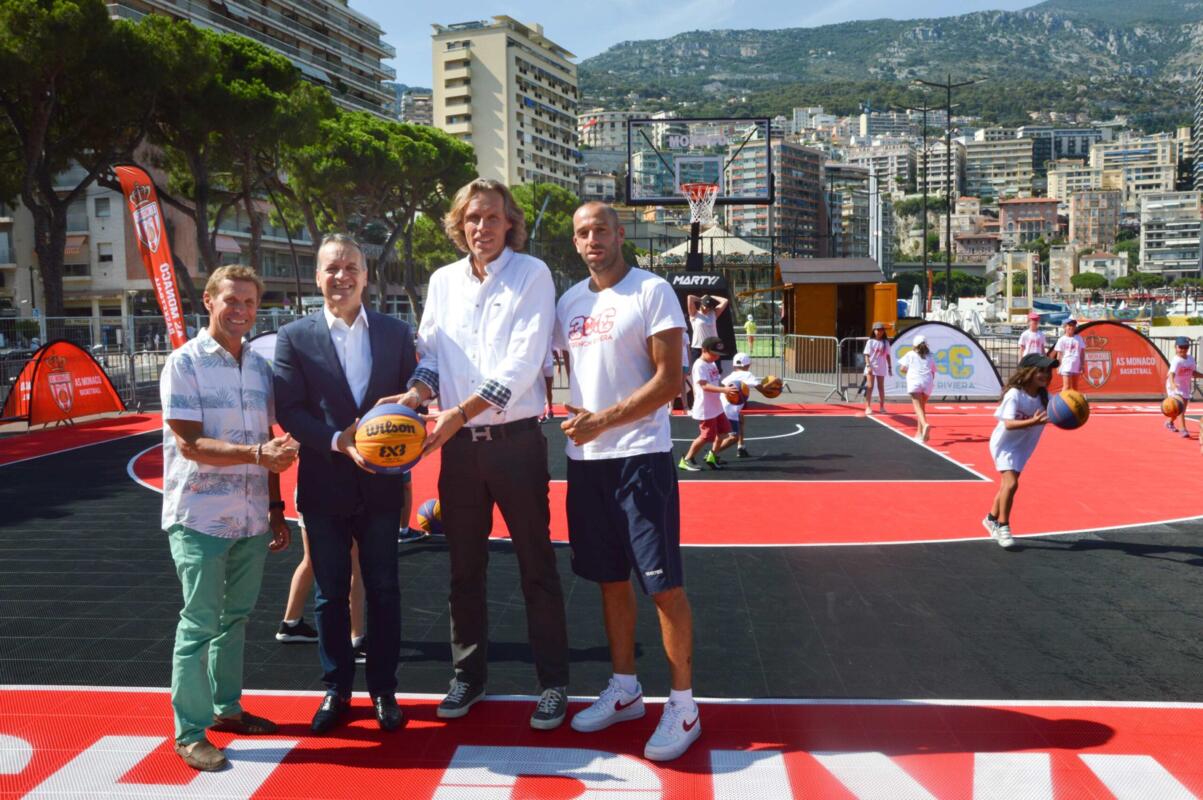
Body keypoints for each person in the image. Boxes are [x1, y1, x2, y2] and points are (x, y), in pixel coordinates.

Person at [385, 178, 570, 729]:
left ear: (509, 221)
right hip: (460, 450)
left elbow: (521, 363)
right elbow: (433, 354)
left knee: (536, 566)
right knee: (464, 570)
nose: (482, 228)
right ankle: (468, 676)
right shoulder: (443, 281)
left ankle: (554, 683)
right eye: (472, 218)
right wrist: (416, 393)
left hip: (515, 444)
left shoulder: (532, 274)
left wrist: (457, 413)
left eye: (492, 217)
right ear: (458, 224)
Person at [557, 201, 701, 762]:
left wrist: (603, 420)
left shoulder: (651, 291)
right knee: (609, 580)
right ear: (575, 242)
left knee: (663, 587)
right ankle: (625, 690)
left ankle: (684, 704)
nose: (592, 238)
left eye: (600, 229)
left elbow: (671, 382)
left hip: (641, 458)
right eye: (582, 232)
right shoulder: (569, 301)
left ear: (620, 235)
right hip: (585, 461)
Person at [273, 233, 417, 734]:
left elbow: (411, 400)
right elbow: (288, 410)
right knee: (330, 594)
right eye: (331, 268)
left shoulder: (396, 334)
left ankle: (384, 690)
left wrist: (403, 438)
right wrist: (339, 441)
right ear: (318, 278)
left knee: (384, 590)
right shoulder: (294, 337)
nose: (341, 276)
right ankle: (336, 689)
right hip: (324, 483)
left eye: (351, 267)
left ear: (365, 275)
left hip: (380, 486)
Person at [159, 265, 296, 772]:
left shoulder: (259, 369)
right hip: (200, 516)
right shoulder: (184, 362)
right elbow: (190, 443)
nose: (240, 311)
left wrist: (277, 508)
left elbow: (271, 444)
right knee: (198, 623)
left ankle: (227, 709)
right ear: (209, 302)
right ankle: (190, 733)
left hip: (252, 519)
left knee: (235, 619)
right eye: (231, 301)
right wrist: (259, 455)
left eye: (249, 304)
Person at [983, 353, 1056, 550]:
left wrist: (1077, 407)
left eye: (1048, 371)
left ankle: (991, 518)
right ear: (1029, 372)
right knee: (1012, 483)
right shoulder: (1015, 394)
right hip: (1004, 444)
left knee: (1007, 485)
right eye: (1041, 371)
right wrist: (1033, 421)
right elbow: (1008, 424)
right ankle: (1003, 526)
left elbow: (1062, 409)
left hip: (1023, 445)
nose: (1046, 375)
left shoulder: (1044, 397)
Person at [275, 520, 366, 661]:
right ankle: (355, 641)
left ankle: (291, 624)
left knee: (311, 559)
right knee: (354, 563)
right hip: (343, 506)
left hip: (310, 505)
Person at [679, 336, 738, 471]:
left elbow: (715, 382)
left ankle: (712, 455)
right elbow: (704, 386)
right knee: (706, 436)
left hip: (716, 406)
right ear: (703, 350)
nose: (716, 357)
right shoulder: (699, 365)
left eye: (718, 355)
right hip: (706, 408)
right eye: (713, 354)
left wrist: (728, 387)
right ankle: (686, 459)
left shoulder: (712, 364)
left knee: (724, 431)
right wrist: (724, 390)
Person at [720, 352, 761, 458]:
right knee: (733, 437)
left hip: (723, 406)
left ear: (734, 365)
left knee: (741, 419)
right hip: (730, 409)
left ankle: (741, 447)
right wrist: (776, 388)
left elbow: (722, 386)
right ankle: (712, 453)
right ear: (748, 365)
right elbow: (762, 389)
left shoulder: (730, 376)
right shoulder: (748, 375)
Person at [898, 335, 936, 442]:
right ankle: (920, 433)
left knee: (918, 407)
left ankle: (924, 425)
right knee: (922, 407)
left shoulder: (910, 354)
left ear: (915, 345)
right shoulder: (931, 356)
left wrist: (909, 372)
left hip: (915, 381)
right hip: (928, 382)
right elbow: (933, 372)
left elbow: (902, 368)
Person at [1165, 336, 1201, 438]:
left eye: (1185, 347)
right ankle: (1183, 429)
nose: (1183, 349)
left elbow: (1193, 372)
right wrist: (1172, 384)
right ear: (1175, 347)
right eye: (1180, 347)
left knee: (1180, 410)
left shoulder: (1190, 359)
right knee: (1180, 407)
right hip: (1174, 386)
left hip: (1184, 387)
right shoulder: (1176, 360)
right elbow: (1171, 374)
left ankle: (1169, 422)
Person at [687, 293, 728, 364]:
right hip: (698, 347)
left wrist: (711, 297)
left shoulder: (713, 313)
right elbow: (690, 297)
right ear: (701, 304)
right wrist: (702, 299)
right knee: (697, 370)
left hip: (713, 347)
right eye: (704, 306)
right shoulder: (694, 313)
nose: (706, 308)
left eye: (708, 307)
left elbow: (725, 301)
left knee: (715, 371)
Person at [863, 321, 892, 415]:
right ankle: (868, 407)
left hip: (881, 367)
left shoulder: (885, 342)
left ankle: (882, 407)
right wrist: (868, 365)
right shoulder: (870, 342)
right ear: (874, 331)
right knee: (870, 386)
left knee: (881, 387)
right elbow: (866, 354)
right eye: (877, 330)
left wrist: (890, 367)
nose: (879, 332)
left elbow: (887, 356)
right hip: (871, 366)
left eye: (881, 330)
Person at [1053, 319, 1086, 392]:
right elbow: (1059, 354)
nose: (1071, 327)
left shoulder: (1079, 338)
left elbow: (1082, 353)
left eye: (1073, 326)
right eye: (1069, 326)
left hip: (1076, 365)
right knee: (1066, 386)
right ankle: (1062, 401)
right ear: (1065, 327)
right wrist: (1058, 366)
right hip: (1066, 365)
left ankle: (1074, 402)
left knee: (1075, 387)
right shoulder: (1062, 339)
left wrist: (1082, 365)